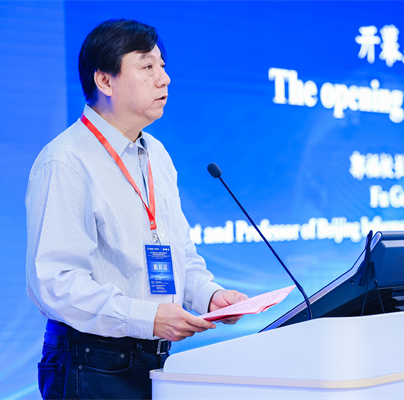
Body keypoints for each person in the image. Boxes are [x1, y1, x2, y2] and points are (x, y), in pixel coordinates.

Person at [25, 19, 248, 399]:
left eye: (162, 65)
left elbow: (179, 255)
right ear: (104, 81)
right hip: (91, 361)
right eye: (147, 66)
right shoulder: (66, 160)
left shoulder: (156, 154)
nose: (164, 79)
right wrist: (149, 318)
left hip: (154, 358)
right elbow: (55, 282)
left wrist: (210, 297)